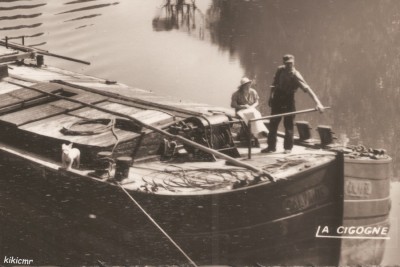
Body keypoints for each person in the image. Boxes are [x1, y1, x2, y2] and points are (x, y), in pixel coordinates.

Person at [262, 54, 325, 154]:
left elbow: (308, 89)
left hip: (288, 99)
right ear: (284, 63)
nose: (289, 66)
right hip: (277, 98)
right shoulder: (280, 70)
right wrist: (270, 96)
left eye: (291, 63)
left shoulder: (296, 75)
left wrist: (318, 103)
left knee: (289, 125)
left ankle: (288, 148)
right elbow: (274, 84)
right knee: (273, 123)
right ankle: (271, 147)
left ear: (294, 63)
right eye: (287, 64)